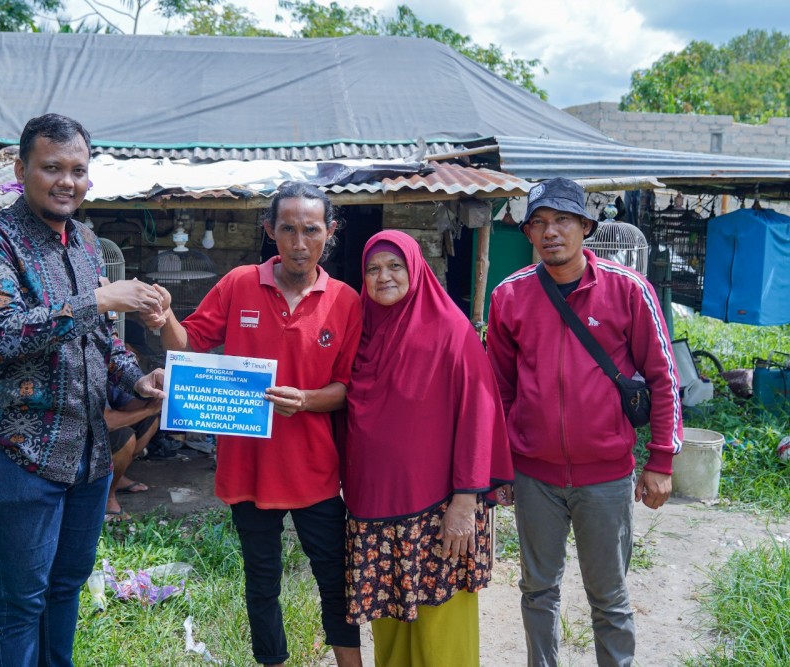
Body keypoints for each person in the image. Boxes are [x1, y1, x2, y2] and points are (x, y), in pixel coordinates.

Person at [0, 113, 166, 666]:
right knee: (19, 602)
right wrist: (98, 301)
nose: (66, 181)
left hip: (87, 455)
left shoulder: (87, 244)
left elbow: (100, 338)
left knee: (65, 587)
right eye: (52, 168)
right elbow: (3, 334)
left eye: (78, 169)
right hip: (15, 454)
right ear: (22, 169)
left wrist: (135, 376)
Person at [143, 182, 363, 667]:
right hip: (247, 469)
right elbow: (189, 345)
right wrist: (164, 320)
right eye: (288, 229)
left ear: (330, 232)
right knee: (261, 581)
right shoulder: (240, 283)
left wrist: (305, 400)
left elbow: (347, 388)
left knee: (335, 577)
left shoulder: (346, 301)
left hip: (315, 471)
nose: (299, 242)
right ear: (270, 231)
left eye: (311, 230)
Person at [486, 177, 684, 667]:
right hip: (535, 477)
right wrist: (500, 465)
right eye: (540, 222)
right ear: (528, 232)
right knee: (538, 591)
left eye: (563, 220)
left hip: (607, 478)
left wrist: (661, 460)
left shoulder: (627, 290)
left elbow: (663, 378)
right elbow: (499, 390)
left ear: (586, 227)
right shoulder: (509, 297)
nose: (551, 232)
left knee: (610, 598)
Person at [343, 230, 513, 667]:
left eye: (395, 266)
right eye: (373, 269)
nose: (384, 277)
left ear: (416, 268)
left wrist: (465, 501)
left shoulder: (450, 330)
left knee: (442, 629)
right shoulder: (358, 331)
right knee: (389, 621)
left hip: (438, 509)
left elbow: (479, 416)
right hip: (373, 507)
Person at [103, 390, 161, 521]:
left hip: (103, 427)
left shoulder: (114, 371)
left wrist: (159, 399)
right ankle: (107, 497)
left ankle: (117, 477)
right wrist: (148, 410)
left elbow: (126, 404)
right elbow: (108, 421)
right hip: (77, 440)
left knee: (149, 421)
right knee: (124, 437)